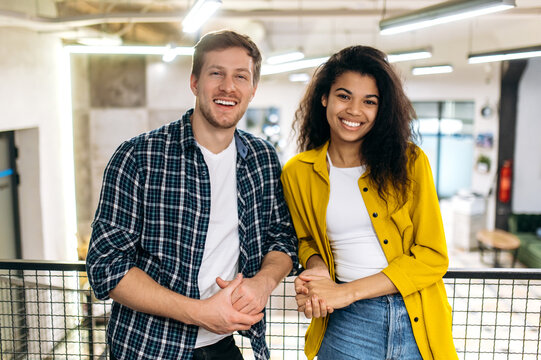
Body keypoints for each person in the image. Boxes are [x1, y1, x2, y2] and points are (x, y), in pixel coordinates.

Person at [86, 30, 298, 360]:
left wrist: (263, 283)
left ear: (253, 89)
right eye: (217, 73)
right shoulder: (138, 157)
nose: (228, 87)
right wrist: (200, 313)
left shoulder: (262, 158)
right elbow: (107, 265)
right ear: (195, 82)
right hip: (147, 347)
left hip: (223, 345)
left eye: (240, 76)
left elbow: (282, 237)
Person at [280, 45, 457, 359]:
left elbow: (432, 255)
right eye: (344, 96)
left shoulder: (410, 162)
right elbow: (306, 239)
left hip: (417, 319)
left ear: (382, 109)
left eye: (369, 102)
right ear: (325, 98)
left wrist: (344, 292)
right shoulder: (298, 173)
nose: (354, 111)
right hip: (348, 326)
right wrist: (317, 268)